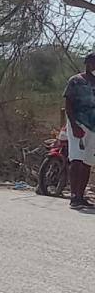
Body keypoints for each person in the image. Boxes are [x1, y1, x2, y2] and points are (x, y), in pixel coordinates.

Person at [63, 53, 95, 209]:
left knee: (88, 162)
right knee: (77, 159)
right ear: (87, 63)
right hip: (78, 124)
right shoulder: (75, 81)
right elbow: (68, 104)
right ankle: (74, 196)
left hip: (93, 127)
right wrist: (74, 126)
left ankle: (81, 196)